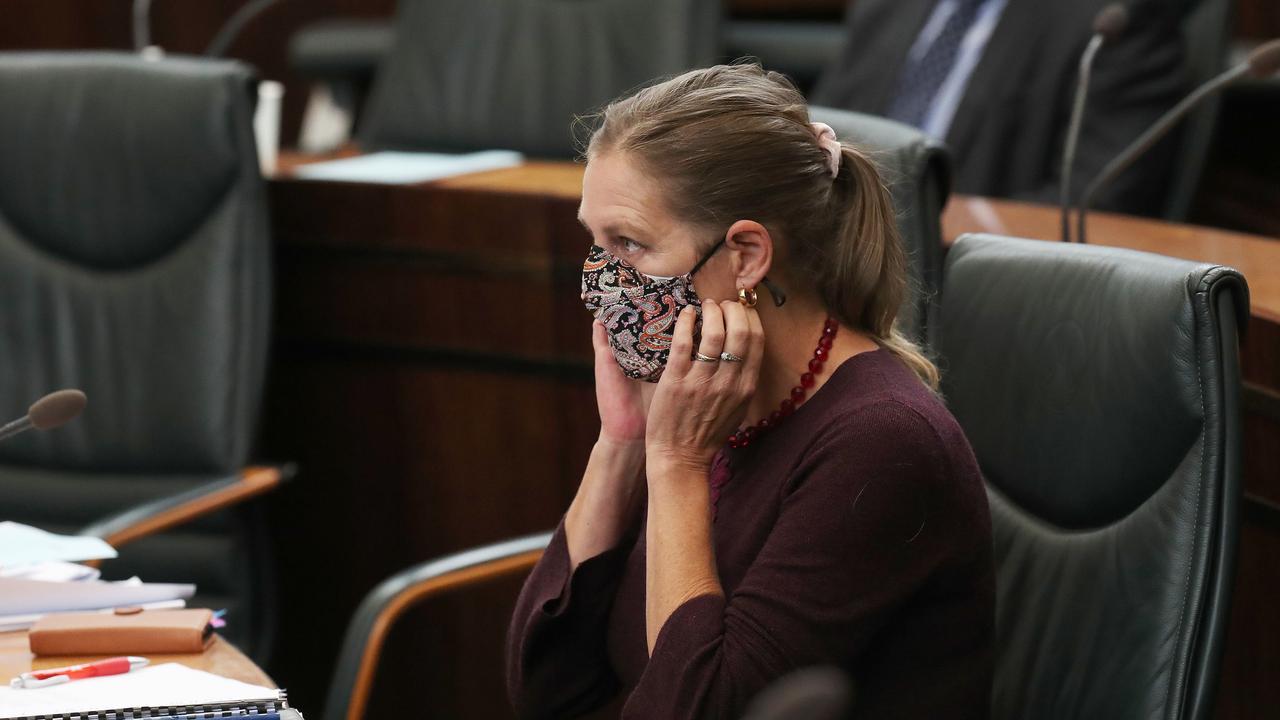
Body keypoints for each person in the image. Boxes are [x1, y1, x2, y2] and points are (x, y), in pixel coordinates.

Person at [506, 63, 995, 719]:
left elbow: (698, 709)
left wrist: (677, 465)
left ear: (745, 256)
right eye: (594, 243)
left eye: (629, 244)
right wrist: (620, 442)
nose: (599, 285)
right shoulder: (706, 398)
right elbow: (545, 692)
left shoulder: (883, 444)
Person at [812, 0, 1188, 215]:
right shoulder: (887, 7)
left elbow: (1088, 205)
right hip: (829, 252)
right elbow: (820, 132)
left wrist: (915, 228)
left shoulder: (1115, 23)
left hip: (971, 290)